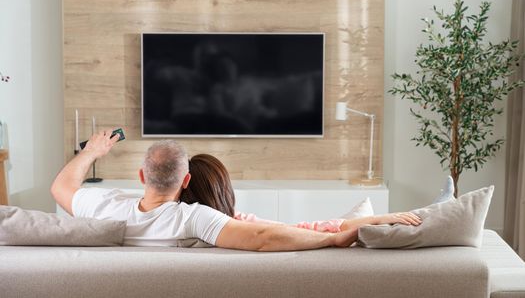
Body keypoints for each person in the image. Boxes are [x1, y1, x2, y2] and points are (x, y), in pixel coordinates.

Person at [51, 131, 360, 251]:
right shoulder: (194, 218)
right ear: (186, 181)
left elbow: (61, 187)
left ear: (142, 175)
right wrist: (330, 238)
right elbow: (262, 237)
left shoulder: (103, 206)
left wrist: (92, 151)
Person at [181, 154, 422, 232]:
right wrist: (374, 219)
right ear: (224, 190)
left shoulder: (170, 226)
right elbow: (306, 230)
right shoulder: (243, 227)